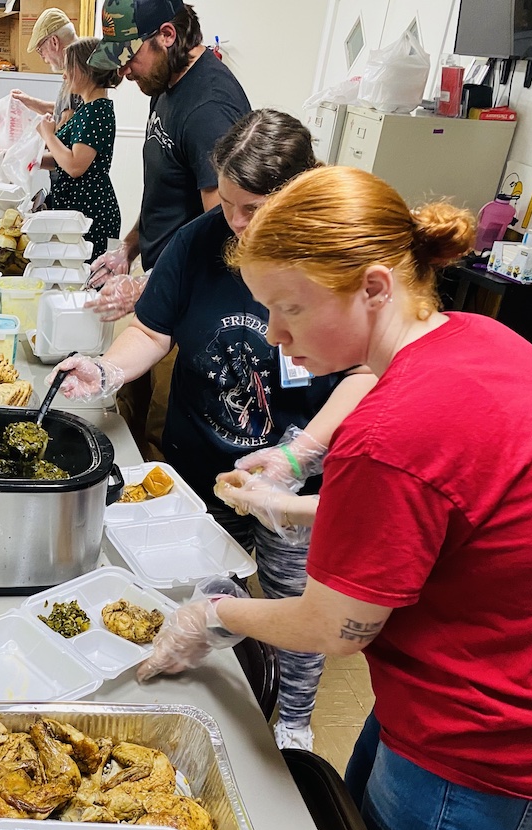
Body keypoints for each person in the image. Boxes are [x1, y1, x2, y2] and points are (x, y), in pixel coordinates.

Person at [141, 165, 532, 830]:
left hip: (494, 744)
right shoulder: (473, 337)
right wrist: (289, 507)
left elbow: (337, 625)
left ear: (376, 287)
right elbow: (445, 514)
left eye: (290, 308)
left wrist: (213, 615)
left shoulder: (392, 430)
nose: (275, 335)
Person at [52, 111, 377, 750]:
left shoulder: (339, 260)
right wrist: (107, 370)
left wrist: (299, 452)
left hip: (295, 480)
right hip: (203, 465)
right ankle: (196, 696)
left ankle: (291, 725)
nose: (235, 222)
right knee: (199, 588)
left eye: (251, 208)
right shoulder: (203, 241)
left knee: (292, 603)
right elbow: (151, 330)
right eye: (226, 202)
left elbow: (370, 372)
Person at [86, 0, 251, 459]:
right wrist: (130, 247)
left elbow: (222, 229)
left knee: (159, 436)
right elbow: (165, 190)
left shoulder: (210, 107)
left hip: (189, 306)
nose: (126, 74)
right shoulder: (165, 82)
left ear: (167, 35)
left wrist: (149, 285)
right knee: (122, 412)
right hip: (160, 289)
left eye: (130, 58)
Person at [37, 38, 121, 259]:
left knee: (87, 280)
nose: (64, 75)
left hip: (91, 213)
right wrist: (30, 160)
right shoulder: (86, 109)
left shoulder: (97, 111)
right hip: (76, 209)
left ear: (88, 69)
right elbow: (61, 159)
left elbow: (75, 166)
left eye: (69, 67)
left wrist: (47, 134)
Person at [10, 8, 81, 127]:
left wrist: (45, 134)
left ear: (54, 42)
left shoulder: (78, 74)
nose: (43, 58)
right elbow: (62, 110)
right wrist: (29, 102)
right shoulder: (75, 66)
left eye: (40, 50)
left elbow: (67, 120)